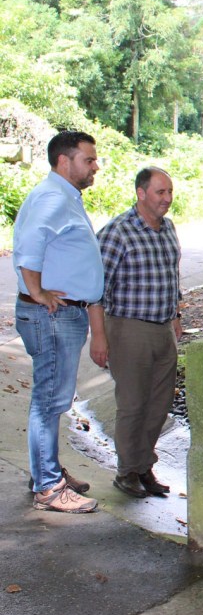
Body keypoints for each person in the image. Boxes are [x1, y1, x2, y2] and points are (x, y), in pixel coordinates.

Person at [13, 130, 103, 513]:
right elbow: (29, 245)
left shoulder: (62, 196)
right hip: (52, 315)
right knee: (49, 401)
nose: (95, 166)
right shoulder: (54, 197)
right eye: (88, 159)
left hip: (60, 314)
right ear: (64, 161)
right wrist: (37, 291)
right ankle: (49, 488)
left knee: (50, 399)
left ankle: (44, 472)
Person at [89, 167, 182, 499]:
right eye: (160, 192)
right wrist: (99, 336)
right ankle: (127, 471)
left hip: (163, 329)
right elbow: (95, 289)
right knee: (132, 403)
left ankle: (143, 466)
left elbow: (171, 275)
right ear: (141, 193)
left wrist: (175, 315)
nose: (167, 199)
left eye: (170, 192)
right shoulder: (118, 232)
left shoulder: (168, 228)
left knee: (159, 404)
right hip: (128, 329)